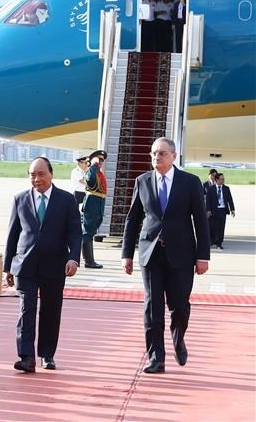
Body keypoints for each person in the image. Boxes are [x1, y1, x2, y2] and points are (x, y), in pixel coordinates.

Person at [122, 137, 210, 374]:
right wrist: (126, 254)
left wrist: (203, 256)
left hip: (182, 254)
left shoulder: (190, 182)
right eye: (153, 154)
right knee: (153, 306)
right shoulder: (142, 181)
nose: (156, 158)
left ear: (173, 155)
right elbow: (133, 219)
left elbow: (200, 221)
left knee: (179, 306)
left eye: (161, 153)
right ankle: (156, 358)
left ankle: (178, 337)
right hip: (150, 254)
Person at [4, 157, 81, 373]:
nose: (36, 179)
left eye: (40, 174)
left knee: (50, 310)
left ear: (51, 174)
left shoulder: (66, 200)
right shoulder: (20, 199)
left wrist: (73, 258)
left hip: (54, 265)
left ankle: (47, 354)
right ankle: (26, 356)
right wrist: (8, 266)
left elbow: (75, 233)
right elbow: (12, 234)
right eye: (32, 175)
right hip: (25, 265)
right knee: (26, 308)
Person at [81, 149, 107, 268]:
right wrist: (94, 165)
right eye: (98, 159)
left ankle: (89, 260)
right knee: (87, 232)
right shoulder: (91, 171)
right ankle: (88, 261)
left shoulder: (98, 172)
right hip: (92, 204)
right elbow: (91, 181)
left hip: (98, 204)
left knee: (90, 232)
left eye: (101, 160)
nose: (100, 162)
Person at [205, 173, 235, 250]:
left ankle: (219, 243)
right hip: (213, 211)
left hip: (222, 210)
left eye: (223, 179)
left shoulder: (226, 188)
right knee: (212, 227)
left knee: (221, 228)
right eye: (221, 179)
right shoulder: (211, 189)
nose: (223, 180)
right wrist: (208, 210)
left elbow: (230, 200)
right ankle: (212, 241)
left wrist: (232, 209)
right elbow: (208, 201)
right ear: (217, 180)